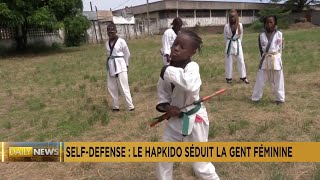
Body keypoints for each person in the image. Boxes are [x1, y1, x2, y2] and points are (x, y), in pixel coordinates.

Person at [156, 30, 220, 180]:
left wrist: (166, 69)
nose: (176, 48)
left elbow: (189, 84)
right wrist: (167, 108)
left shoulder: (192, 68)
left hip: (194, 120)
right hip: (174, 123)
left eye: (182, 47)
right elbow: (162, 94)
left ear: (193, 52)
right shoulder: (166, 72)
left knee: (200, 165)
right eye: (175, 44)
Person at [251, 15, 285, 105]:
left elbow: (281, 49)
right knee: (260, 80)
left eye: (271, 22)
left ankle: (280, 99)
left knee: (278, 80)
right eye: (267, 22)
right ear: (264, 24)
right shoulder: (261, 35)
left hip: (276, 59)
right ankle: (256, 97)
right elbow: (260, 50)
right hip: (265, 59)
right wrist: (261, 60)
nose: (269, 24)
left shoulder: (279, 34)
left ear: (275, 24)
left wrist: (278, 59)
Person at [105, 23, 135, 111]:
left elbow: (127, 54)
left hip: (121, 65)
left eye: (112, 32)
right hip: (111, 66)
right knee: (111, 86)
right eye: (109, 32)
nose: (111, 34)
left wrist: (126, 65)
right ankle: (116, 106)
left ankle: (130, 106)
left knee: (123, 86)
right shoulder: (106, 43)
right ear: (107, 33)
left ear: (116, 32)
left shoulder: (121, 41)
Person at [223, 9, 249, 84]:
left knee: (241, 61)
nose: (232, 18)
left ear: (236, 17)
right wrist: (228, 43)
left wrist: (239, 42)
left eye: (234, 17)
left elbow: (241, 36)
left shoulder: (240, 25)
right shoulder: (226, 26)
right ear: (229, 17)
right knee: (229, 62)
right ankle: (228, 78)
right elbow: (225, 36)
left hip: (237, 43)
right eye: (230, 17)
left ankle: (243, 77)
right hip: (229, 43)